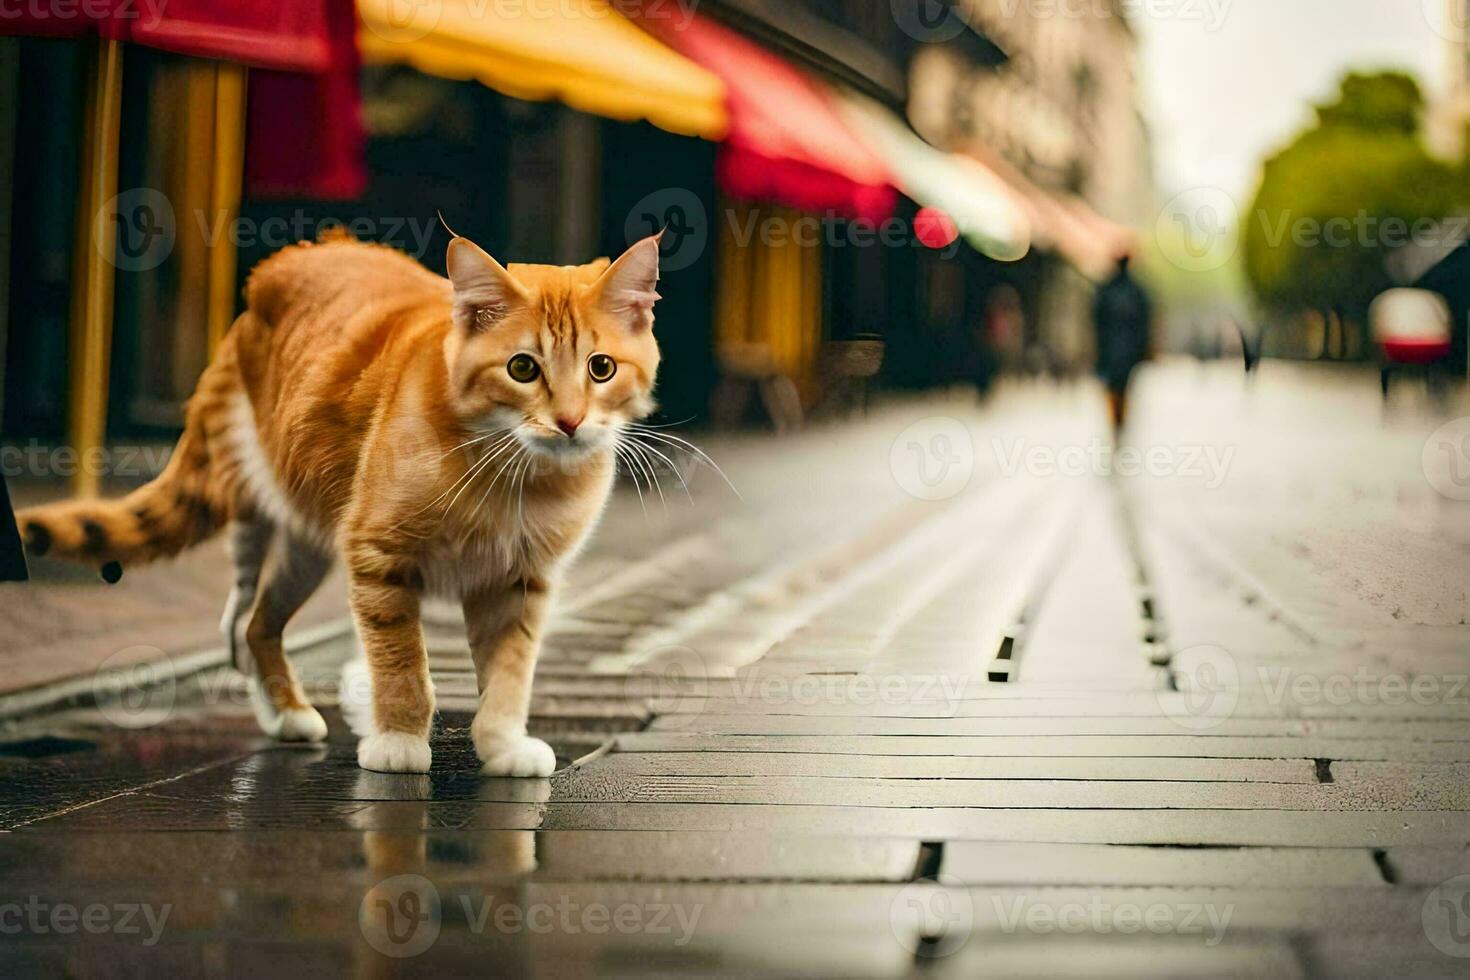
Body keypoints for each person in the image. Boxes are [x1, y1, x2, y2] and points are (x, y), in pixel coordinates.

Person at [1092, 253, 1153, 432]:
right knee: (1123, 387)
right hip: (1127, 351)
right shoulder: (1136, 291)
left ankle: (1116, 419)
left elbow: (1097, 321)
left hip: (1111, 350)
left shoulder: (1107, 290)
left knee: (1114, 387)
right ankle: (1119, 420)